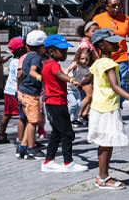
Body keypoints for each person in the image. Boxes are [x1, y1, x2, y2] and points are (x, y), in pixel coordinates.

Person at [87, 28, 129, 189]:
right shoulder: (109, 64)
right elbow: (114, 85)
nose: (117, 43)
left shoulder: (97, 63)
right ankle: (103, 177)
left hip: (98, 107)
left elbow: (88, 78)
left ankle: (103, 175)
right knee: (106, 143)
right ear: (102, 45)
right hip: (107, 108)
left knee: (104, 143)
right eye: (112, 42)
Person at [40, 34, 87, 173]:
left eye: (66, 50)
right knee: (67, 133)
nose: (66, 52)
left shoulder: (48, 65)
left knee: (57, 132)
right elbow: (59, 75)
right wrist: (72, 80)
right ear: (51, 52)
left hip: (53, 104)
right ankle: (68, 162)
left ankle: (48, 161)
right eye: (62, 50)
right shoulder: (53, 65)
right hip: (57, 104)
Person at [93, 0, 129, 91]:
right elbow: (93, 38)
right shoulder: (98, 19)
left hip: (121, 57)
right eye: (114, 5)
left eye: (119, 5)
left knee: (120, 83)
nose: (117, 8)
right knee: (105, 84)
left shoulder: (126, 19)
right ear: (106, 7)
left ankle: (118, 104)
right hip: (103, 57)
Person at [16, 30, 47, 160]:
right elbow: (33, 71)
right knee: (33, 122)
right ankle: (31, 149)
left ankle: (22, 148)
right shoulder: (36, 58)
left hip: (23, 92)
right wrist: (42, 78)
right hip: (31, 94)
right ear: (41, 47)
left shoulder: (27, 56)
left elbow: (20, 74)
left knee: (30, 121)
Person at [0, 37, 25, 144]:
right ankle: (22, 138)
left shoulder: (13, 60)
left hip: (8, 90)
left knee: (7, 114)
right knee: (24, 115)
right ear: (20, 49)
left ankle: (1, 135)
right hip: (15, 91)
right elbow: (20, 76)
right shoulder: (20, 62)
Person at [64, 48, 93, 126]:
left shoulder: (87, 69)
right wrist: (66, 75)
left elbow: (87, 78)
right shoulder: (75, 64)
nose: (84, 61)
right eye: (82, 59)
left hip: (75, 89)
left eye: (86, 59)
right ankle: (66, 118)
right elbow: (67, 69)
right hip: (68, 88)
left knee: (79, 105)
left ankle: (73, 119)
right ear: (78, 58)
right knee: (73, 104)